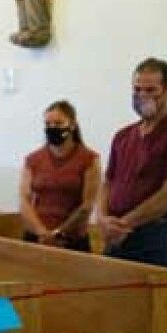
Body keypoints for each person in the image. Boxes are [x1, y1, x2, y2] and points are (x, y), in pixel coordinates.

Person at [98, 58, 167, 269]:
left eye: (151, 90)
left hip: (156, 237)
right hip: (118, 236)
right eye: (137, 89)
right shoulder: (123, 136)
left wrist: (125, 224)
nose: (142, 96)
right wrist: (102, 219)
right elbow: (108, 183)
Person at [19, 100, 99, 252]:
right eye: (48, 124)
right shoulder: (33, 159)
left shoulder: (89, 159)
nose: (52, 128)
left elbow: (86, 205)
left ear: (73, 125)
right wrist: (42, 232)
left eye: (58, 123)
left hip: (72, 239)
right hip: (36, 237)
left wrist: (58, 234)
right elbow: (25, 200)